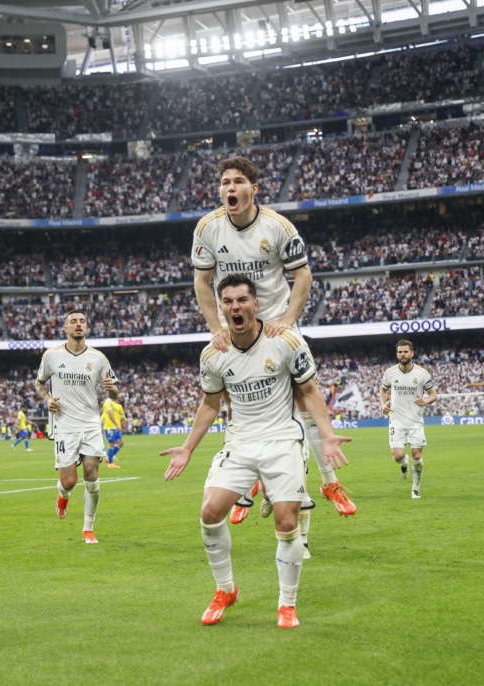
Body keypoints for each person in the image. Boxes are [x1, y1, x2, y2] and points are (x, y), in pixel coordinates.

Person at [161, 275, 350, 628]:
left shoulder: (284, 341)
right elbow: (209, 403)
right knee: (210, 511)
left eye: (242, 300)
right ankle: (225, 589)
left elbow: (308, 390)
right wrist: (187, 447)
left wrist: (327, 435)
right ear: (221, 307)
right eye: (228, 301)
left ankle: (286, 605)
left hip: (282, 440)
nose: (236, 307)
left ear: (255, 303)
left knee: (287, 520)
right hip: (240, 442)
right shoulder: (214, 354)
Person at [191, 155, 356, 522]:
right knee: (237, 402)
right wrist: (213, 327)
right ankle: (247, 479)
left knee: (303, 398)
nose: (229, 188)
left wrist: (288, 319)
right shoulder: (207, 228)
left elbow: (304, 275)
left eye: (237, 181)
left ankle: (329, 482)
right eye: (224, 182)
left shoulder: (278, 227)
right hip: (234, 325)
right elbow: (202, 281)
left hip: (277, 326)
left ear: (254, 188)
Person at [35, 309, 119, 545]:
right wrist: (47, 399)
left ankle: (88, 529)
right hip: (64, 425)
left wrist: (110, 388)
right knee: (69, 481)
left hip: (91, 423)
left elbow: (114, 392)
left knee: (92, 475)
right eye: (73, 322)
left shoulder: (99, 358)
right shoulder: (51, 356)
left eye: (82, 320)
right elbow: (40, 383)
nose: (79, 324)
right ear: (66, 329)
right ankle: (63, 496)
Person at [379, 339, 438, 499]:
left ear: (412, 353)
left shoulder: (422, 374)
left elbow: (433, 394)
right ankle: (404, 463)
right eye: (400, 352)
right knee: (398, 456)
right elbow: (383, 391)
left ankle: (415, 488)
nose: (402, 354)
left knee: (417, 456)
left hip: (415, 421)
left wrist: (426, 400)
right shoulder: (390, 373)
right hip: (396, 420)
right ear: (397, 354)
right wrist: (383, 405)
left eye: (405, 352)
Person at [101, 394, 126, 469]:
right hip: (110, 427)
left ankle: (109, 457)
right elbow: (104, 416)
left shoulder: (118, 406)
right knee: (111, 444)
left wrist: (122, 423)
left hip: (116, 427)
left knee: (121, 443)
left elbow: (123, 416)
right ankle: (110, 463)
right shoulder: (108, 403)